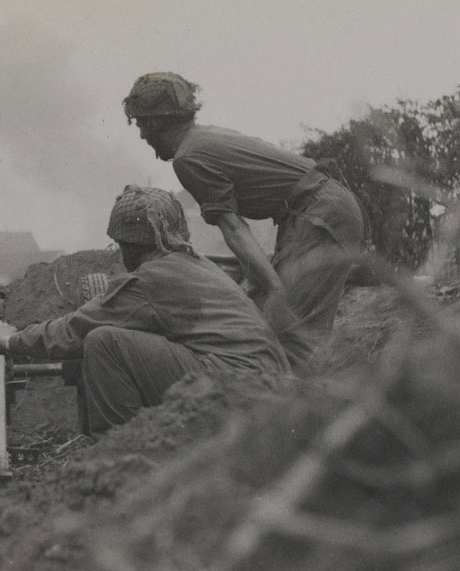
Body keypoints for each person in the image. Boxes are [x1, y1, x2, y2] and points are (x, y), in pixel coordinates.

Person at [0, 186, 290, 434]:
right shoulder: (195, 264)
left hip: (235, 385)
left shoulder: (150, 279)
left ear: (127, 247)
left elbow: (74, 331)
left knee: (102, 341)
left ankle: (121, 455)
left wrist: (10, 340)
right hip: (267, 383)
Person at [123, 72, 365, 369]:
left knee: (289, 334)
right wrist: (255, 284)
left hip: (319, 213)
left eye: (140, 124)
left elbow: (234, 227)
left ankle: (315, 410)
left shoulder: (188, 158)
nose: (141, 135)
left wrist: (276, 288)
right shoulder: (205, 137)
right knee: (273, 320)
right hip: (321, 208)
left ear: (153, 123)